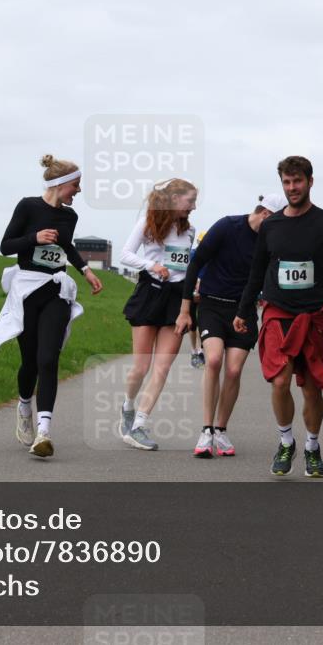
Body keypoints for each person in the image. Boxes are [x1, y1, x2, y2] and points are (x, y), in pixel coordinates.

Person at [234, 156, 323, 478]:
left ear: (310, 182)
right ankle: (286, 441)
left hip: (314, 315)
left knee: (310, 389)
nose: (292, 188)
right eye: (287, 183)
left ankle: (312, 446)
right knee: (280, 380)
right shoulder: (272, 225)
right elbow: (256, 272)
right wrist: (243, 310)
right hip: (278, 312)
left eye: (298, 181)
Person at [0, 155, 103, 458]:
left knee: (48, 358)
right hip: (26, 290)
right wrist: (33, 238)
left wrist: (86, 271)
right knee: (30, 362)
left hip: (56, 290)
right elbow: (5, 246)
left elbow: (66, 247)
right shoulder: (28, 206)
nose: (78, 192)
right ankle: (25, 404)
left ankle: (44, 432)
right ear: (60, 184)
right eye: (75, 185)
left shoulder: (69, 217)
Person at [174, 194, 280, 458]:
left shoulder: (270, 242)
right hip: (212, 304)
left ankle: (221, 430)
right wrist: (186, 309)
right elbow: (195, 262)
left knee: (233, 370)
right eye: (277, 220)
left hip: (243, 311)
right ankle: (206, 430)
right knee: (212, 361)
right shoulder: (227, 226)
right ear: (266, 214)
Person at [118, 179, 197, 451]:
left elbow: (186, 266)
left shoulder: (189, 231)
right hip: (150, 295)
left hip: (177, 301)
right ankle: (128, 407)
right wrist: (151, 264)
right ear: (174, 200)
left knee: (162, 367)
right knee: (141, 367)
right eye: (190, 201)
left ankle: (140, 424)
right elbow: (125, 255)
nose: (193, 207)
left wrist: (192, 285)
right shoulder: (147, 224)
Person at [188, 232, 207, 369]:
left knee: (202, 321)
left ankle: (201, 349)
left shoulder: (211, 256)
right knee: (192, 323)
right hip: (191, 290)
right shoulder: (191, 254)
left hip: (205, 292)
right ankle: (193, 349)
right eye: (200, 243)